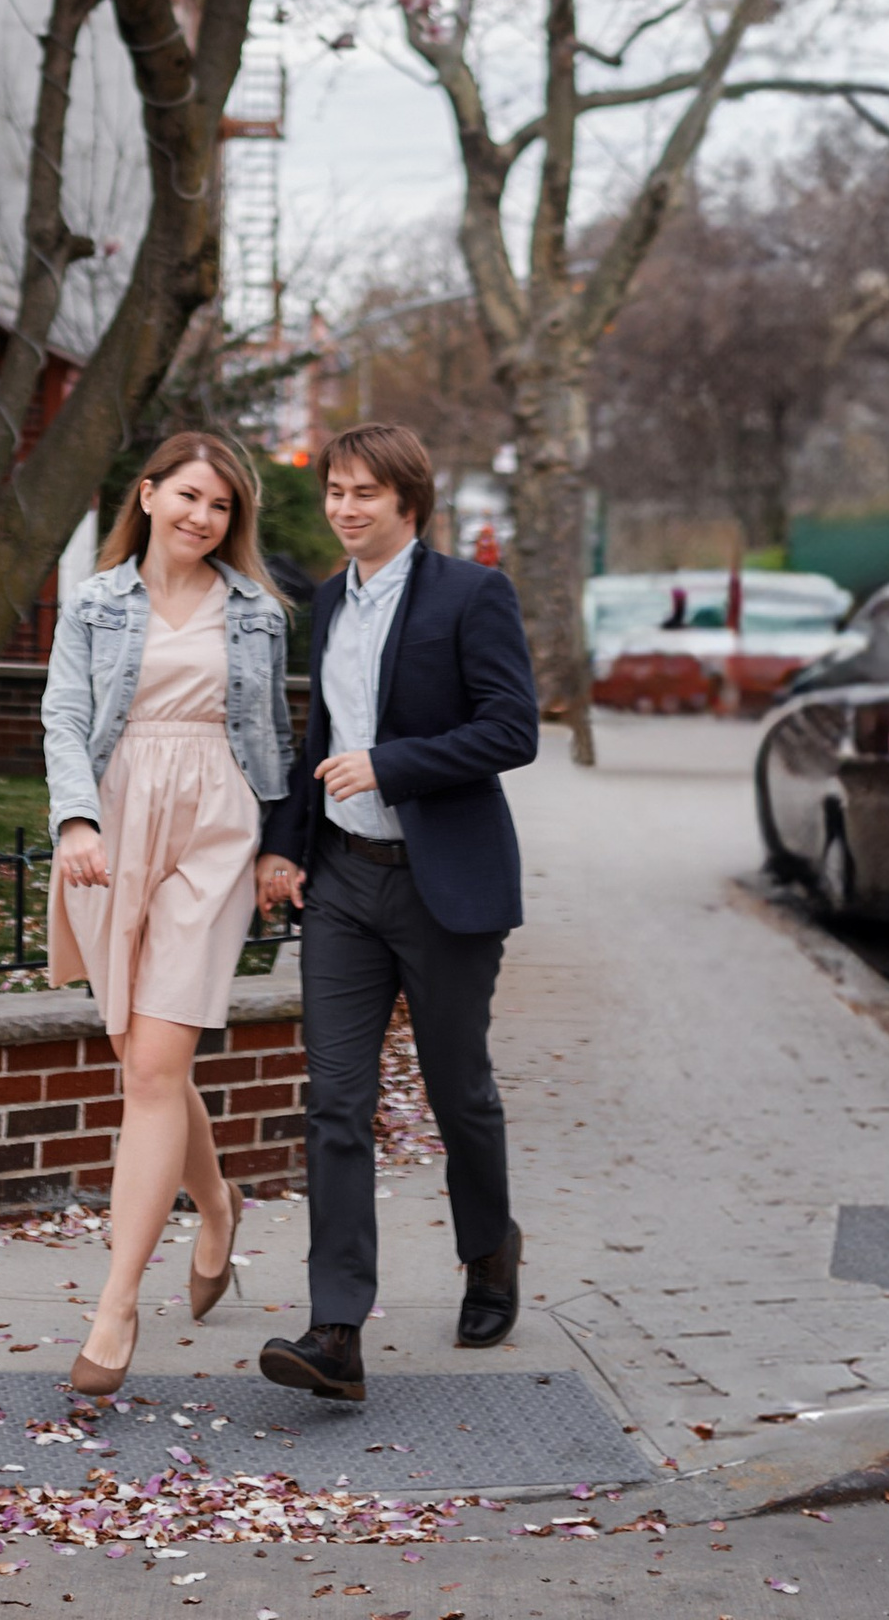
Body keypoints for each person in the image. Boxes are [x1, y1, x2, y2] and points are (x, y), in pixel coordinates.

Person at [254, 420, 541, 1405]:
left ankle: (489, 1251)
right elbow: (318, 736)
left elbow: (512, 729)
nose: (343, 508)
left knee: (457, 1089)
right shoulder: (330, 599)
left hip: (443, 884)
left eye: (364, 492)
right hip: (342, 883)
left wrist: (393, 764)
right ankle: (335, 1330)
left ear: (408, 503)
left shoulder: (472, 594)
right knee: (334, 1099)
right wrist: (285, 841)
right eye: (334, 490)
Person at [40, 426, 296, 1398]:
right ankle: (217, 1206)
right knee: (146, 1059)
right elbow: (64, 715)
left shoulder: (256, 613)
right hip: (114, 818)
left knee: (153, 1065)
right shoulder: (96, 602)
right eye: (187, 495)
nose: (202, 515)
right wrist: (74, 819)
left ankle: (113, 1308)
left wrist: (278, 843)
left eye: (221, 505)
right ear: (145, 496)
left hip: (216, 824)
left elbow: (271, 731)